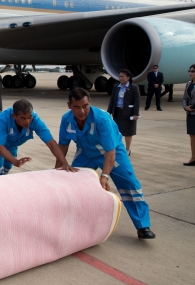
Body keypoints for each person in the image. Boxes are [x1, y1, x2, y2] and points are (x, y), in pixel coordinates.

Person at [57, 88, 156, 239]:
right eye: (76, 107)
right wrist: (58, 168)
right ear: (69, 105)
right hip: (85, 152)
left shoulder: (102, 119)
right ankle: (79, 221)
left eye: (85, 106)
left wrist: (104, 176)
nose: (82, 111)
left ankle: (143, 226)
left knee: (129, 184)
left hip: (111, 152)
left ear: (89, 103)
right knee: (74, 182)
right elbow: (63, 146)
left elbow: (110, 152)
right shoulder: (66, 119)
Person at [0, 99, 75, 177]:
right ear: (14, 116)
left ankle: (0, 181)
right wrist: (15, 161)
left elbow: (51, 142)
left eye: (29, 117)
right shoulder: (2, 120)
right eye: (23, 118)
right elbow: (0, 147)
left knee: (8, 165)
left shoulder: (35, 119)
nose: (28, 121)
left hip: (13, 139)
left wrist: (65, 163)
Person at [107, 69, 140, 155]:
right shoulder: (116, 87)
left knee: (128, 132)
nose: (120, 78)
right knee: (117, 131)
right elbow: (112, 100)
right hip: (117, 112)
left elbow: (137, 101)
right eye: (119, 76)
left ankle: (128, 149)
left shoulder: (134, 87)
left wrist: (135, 113)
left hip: (128, 113)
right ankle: (118, 148)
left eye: (122, 76)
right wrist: (108, 112)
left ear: (128, 77)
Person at [182, 65, 195, 166]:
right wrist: (185, 107)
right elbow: (185, 98)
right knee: (192, 136)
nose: (190, 73)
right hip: (190, 113)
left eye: (193, 71)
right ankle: (193, 157)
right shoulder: (188, 84)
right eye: (189, 71)